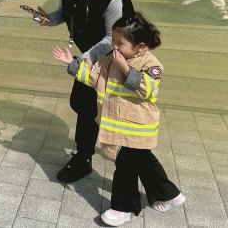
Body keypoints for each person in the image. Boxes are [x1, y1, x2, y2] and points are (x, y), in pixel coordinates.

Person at [53, 13, 185, 227]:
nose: (113, 45)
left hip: (137, 127)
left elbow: (147, 89)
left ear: (140, 47)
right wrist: (73, 63)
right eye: (113, 40)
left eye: (120, 43)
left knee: (125, 166)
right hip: (121, 125)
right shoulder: (110, 59)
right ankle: (169, 195)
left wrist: (124, 68)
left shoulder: (151, 63)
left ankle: (124, 208)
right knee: (145, 162)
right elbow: (95, 78)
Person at [33, 0, 134, 183]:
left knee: (100, 108)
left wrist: (89, 57)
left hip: (115, 59)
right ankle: (85, 156)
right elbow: (65, 13)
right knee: (82, 103)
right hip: (91, 57)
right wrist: (48, 20)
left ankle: (99, 159)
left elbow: (112, 38)